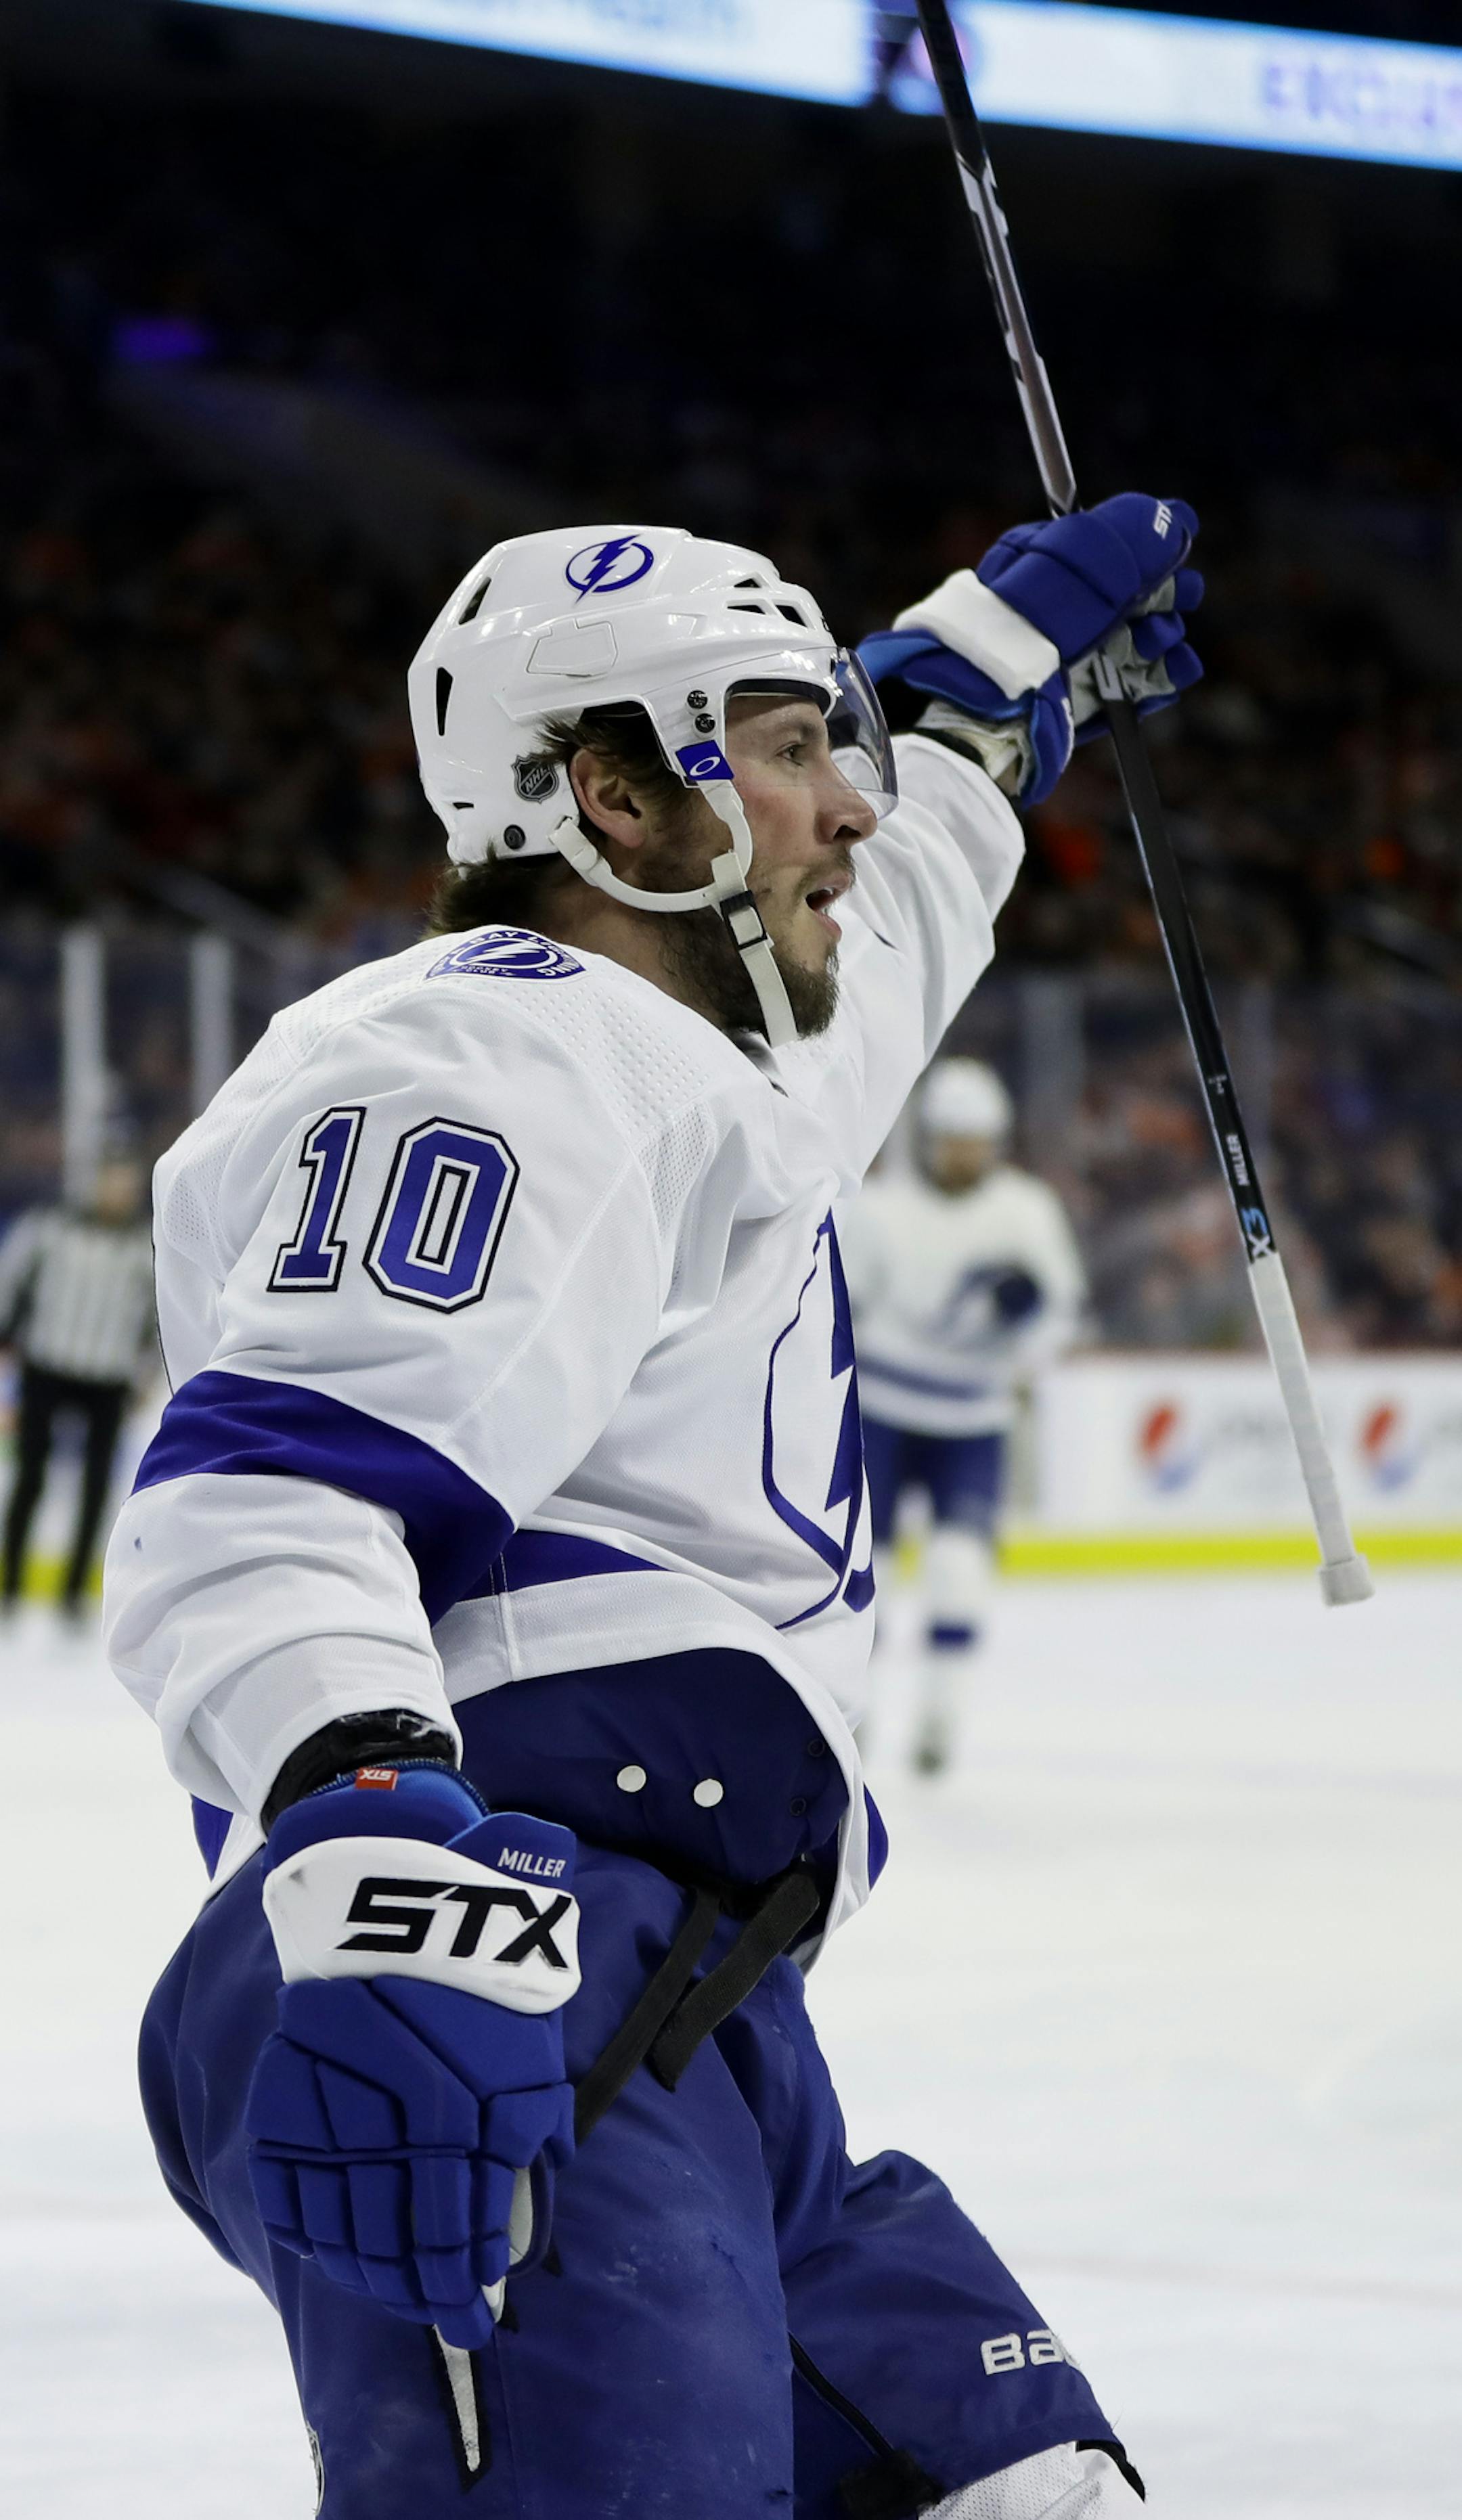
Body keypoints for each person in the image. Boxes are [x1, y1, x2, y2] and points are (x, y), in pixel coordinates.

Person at [104, 499, 1201, 2518]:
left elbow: (886, 930)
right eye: (786, 748)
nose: (847, 807)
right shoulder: (494, 1041)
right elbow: (274, 1487)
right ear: (612, 798)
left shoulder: (707, 1058)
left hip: (699, 2018)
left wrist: (979, 695)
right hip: (505, 1950)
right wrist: (378, 1862)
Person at [842, 1060, 1087, 1775]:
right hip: (882, 1415)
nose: (964, 1155)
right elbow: (842, 1309)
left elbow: (1063, 1314)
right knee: (869, 1581)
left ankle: (940, 1721)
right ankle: (851, 1717)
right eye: (953, 1140)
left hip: (975, 1419)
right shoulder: (881, 1207)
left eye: (976, 1141)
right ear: (928, 1137)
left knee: (958, 1571)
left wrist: (1029, 1316)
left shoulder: (1025, 1210)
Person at [0, 1156, 154, 1619]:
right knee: (30, 1477)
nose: (118, 1192)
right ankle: (11, 1582)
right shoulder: (49, 1228)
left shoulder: (143, 1247)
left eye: (126, 1184)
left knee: (96, 1488)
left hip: (109, 1378)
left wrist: (144, 1376)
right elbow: (12, 1287)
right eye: (112, 1181)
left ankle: (72, 1593)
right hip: (46, 1367)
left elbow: (156, 1318)